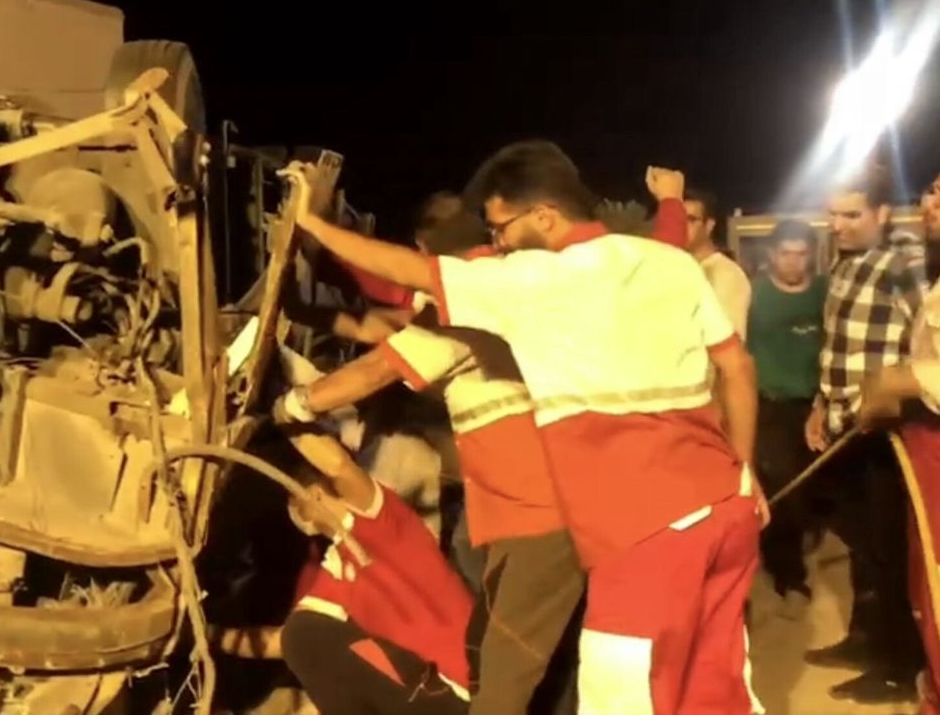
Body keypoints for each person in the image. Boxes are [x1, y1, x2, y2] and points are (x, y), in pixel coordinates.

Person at [281, 139, 767, 714]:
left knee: (615, 696)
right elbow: (736, 365)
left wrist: (311, 219)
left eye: (502, 228)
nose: (500, 243)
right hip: (723, 505)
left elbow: (404, 277)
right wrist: (745, 468)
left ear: (544, 215)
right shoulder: (670, 262)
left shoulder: (531, 282)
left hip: (640, 529)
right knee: (713, 686)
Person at [802, 167, 928, 703]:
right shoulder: (846, 262)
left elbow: (928, 349)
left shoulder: (905, 264)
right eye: (833, 214)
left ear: (882, 214)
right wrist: (819, 404)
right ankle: (863, 640)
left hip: (882, 434)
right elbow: (840, 346)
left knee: (887, 551)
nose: (838, 225)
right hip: (840, 428)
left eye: (852, 214)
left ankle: (898, 664)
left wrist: (884, 405)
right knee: (858, 545)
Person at [246, 420, 473, 714]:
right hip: (422, 690)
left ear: (314, 494)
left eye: (292, 500)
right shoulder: (337, 565)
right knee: (301, 637)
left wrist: (286, 416)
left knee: (302, 636)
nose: (292, 513)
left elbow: (339, 466)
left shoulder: (378, 520)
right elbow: (282, 642)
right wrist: (208, 633)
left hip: (459, 685)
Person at [858, 156, 940, 714]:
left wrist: (902, 379)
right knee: (933, 606)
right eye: (930, 192)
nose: (929, 205)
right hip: (930, 472)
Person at [746, 220, 826, 609]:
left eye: (801, 253)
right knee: (782, 488)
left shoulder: (825, 293)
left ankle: (809, 537)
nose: (794, 262)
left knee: (816, 487)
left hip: (816, 406)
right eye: (785, 253)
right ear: (771, 255)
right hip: (770, 407)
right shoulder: (754, 296)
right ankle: (788, 575)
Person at [686, 187, 752, 338]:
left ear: (709, 226)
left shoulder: (726, 275)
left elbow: (729, 339)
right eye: (676, 219)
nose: (681, 226)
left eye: (690, 220)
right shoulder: (676, 269)